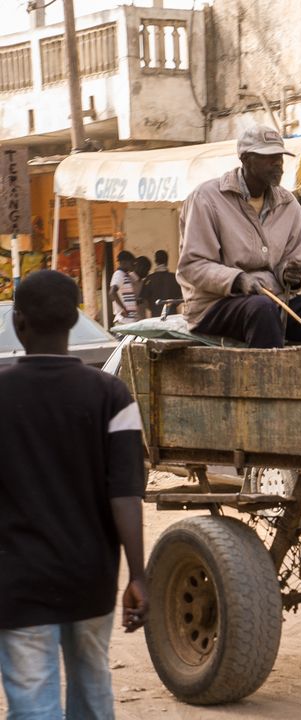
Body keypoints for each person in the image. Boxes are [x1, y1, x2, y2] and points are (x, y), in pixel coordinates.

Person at [0, 270, 148, 717]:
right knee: (92, 693)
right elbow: (125, 494)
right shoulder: (112, 394)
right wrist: (138, 576)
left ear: (18, 323)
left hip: (17, 584)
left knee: (33, 704)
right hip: (90, 580)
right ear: (74, 319)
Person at [177, 125, 301, 348]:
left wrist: (290, 276)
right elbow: (192, 266)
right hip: (215, 306)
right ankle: (270, 383)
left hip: (277, 303)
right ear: (246, 159)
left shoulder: (290, 206)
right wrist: (237, 280)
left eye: (280, 157)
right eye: (269, 157)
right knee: (261, 308)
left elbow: (294, 263)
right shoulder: (206, 199)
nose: (278, 163)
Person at [139, 249, 183, 318]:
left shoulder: (149, 279)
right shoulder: (175, 278)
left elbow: (144, 300)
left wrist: (153, 308)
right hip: (172, 316)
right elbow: (180, 298)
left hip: (155, 316)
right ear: (167, 261)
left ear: (155, 261)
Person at [109, 250, 141, 325]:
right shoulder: (118, 275)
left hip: (129, 320)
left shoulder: (125, 275)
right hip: (123, 321)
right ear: (124, 262)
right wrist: (124, 309)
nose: (134, 265)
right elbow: (111, 293)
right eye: (132, 263)